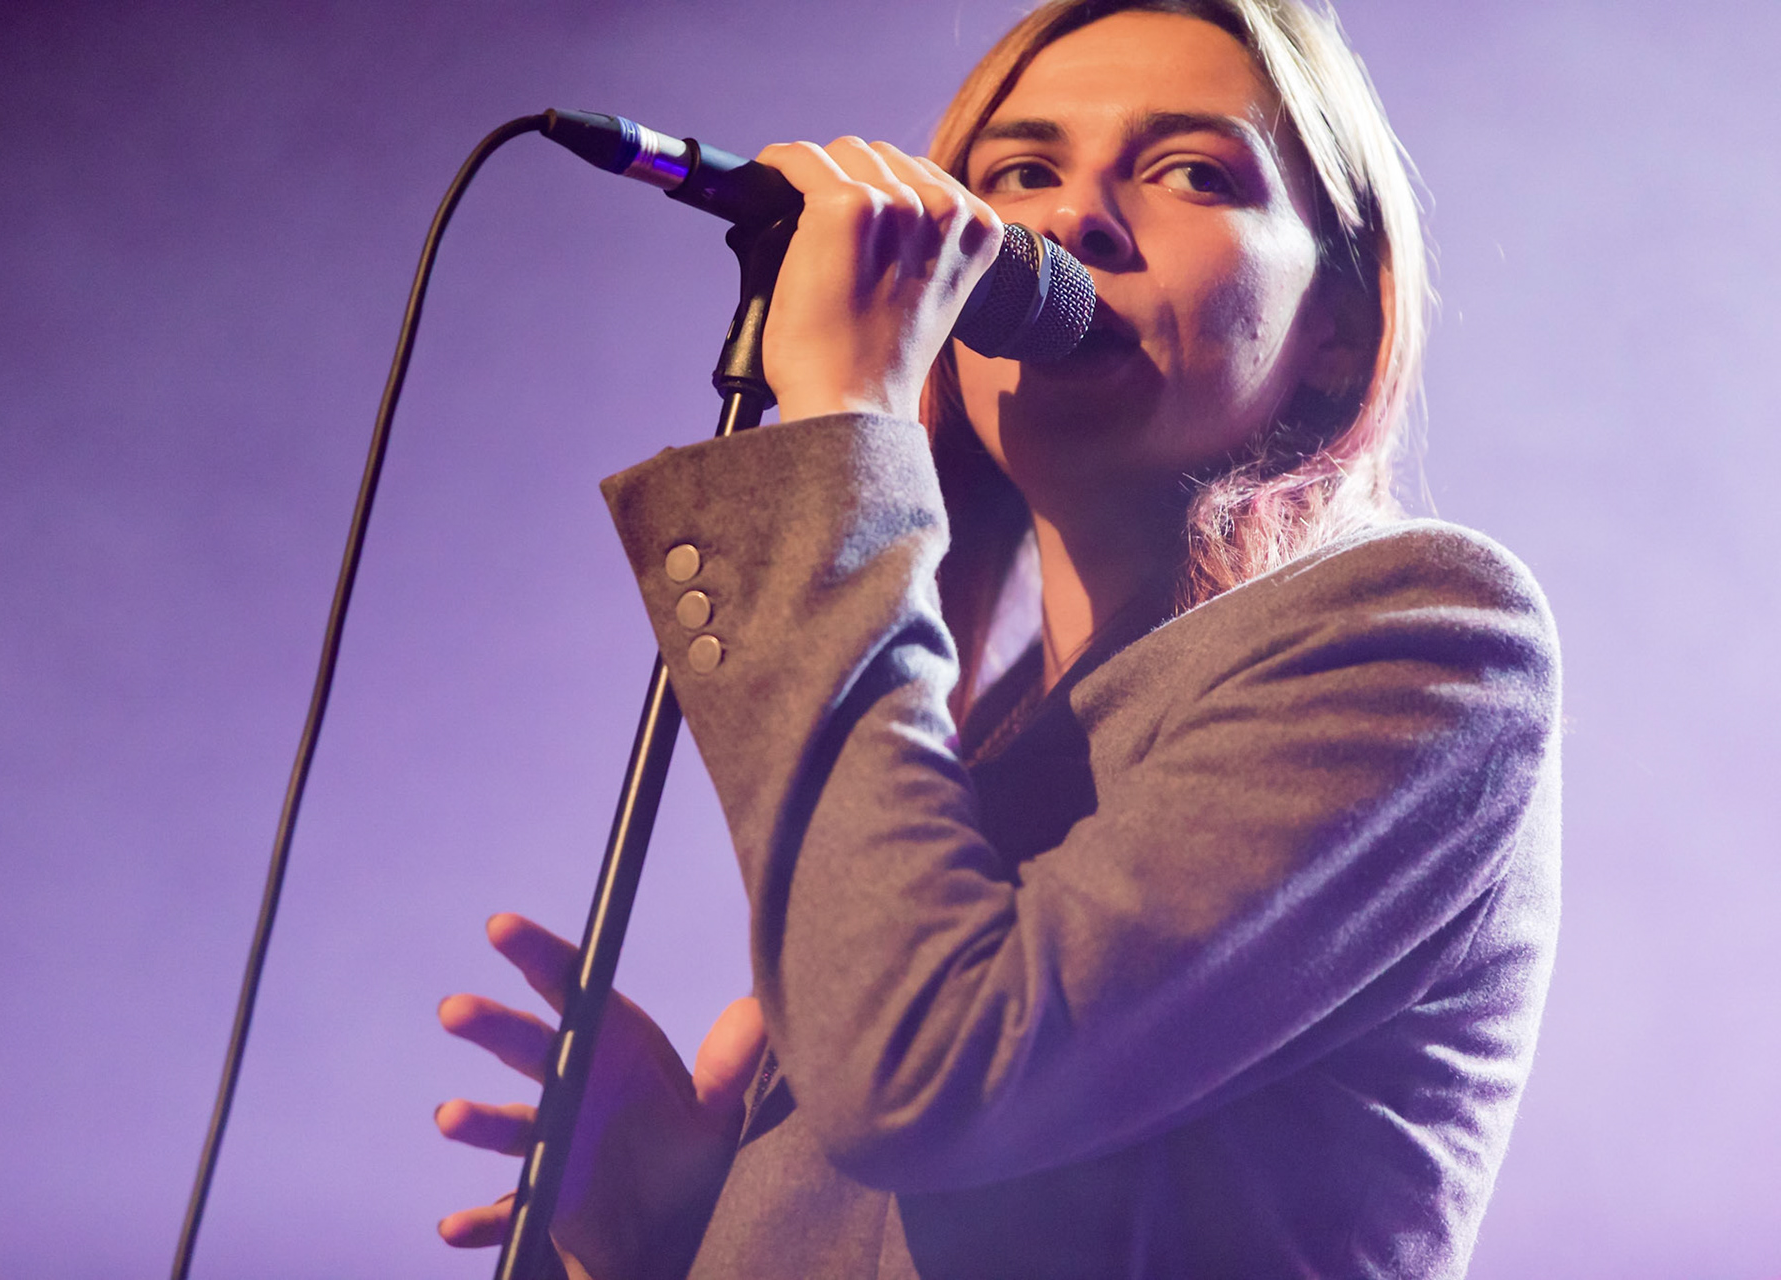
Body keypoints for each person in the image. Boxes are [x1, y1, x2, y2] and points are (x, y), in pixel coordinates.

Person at [434, 1, 1562, 1276]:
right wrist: (672, 1232)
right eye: (1021, 173)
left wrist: (844, 428)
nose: (1071, 222)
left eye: (1191, 172)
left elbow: (928, 1070)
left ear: (1337, 326)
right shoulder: (946, 756)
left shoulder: (1425, 638)